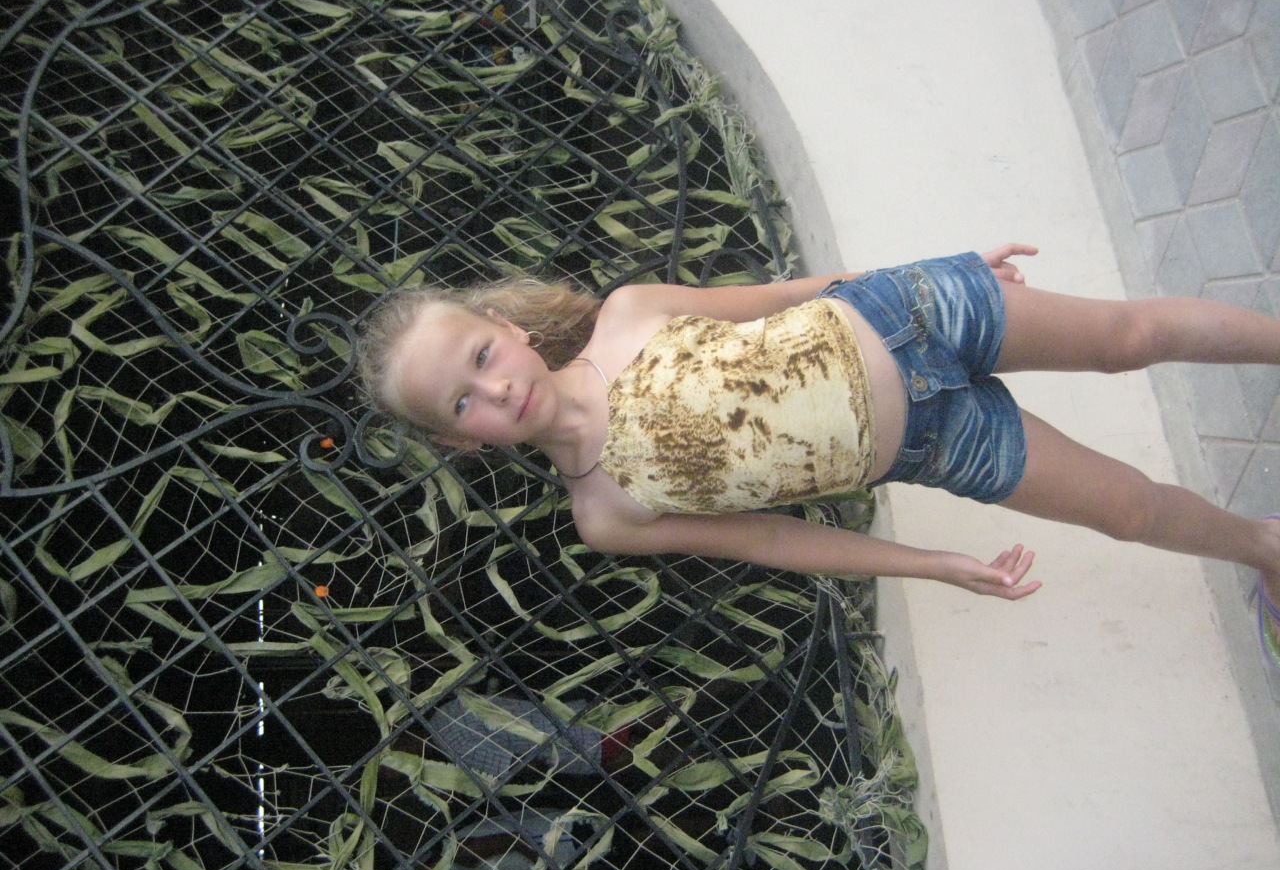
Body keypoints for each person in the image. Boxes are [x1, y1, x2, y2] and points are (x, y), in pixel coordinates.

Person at [357, 244, 1280, 669]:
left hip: (911, 313)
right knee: (1127, 509)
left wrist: (945, 264)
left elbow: (779, 295)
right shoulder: (607, 513)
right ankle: (1266, 547)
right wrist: (933, 564)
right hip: (936, 445)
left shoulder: (630, 313)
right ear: (458, 439)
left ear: (507, 327)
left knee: (1128, 337)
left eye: (482, 356)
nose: (495, 390)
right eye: (462, 403)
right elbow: (772, 540)